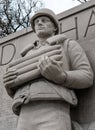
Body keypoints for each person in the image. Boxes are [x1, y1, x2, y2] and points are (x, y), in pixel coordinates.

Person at [3, 8, 93, 130]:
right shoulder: (25, 54)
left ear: (55, 27)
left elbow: (87, 76)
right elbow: (18, 85)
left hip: (54, 108)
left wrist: (61, 76)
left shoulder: (67, 45)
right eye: (37, 22)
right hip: (25, 111)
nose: (39, 23)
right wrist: (10, 86)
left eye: (45, 20)